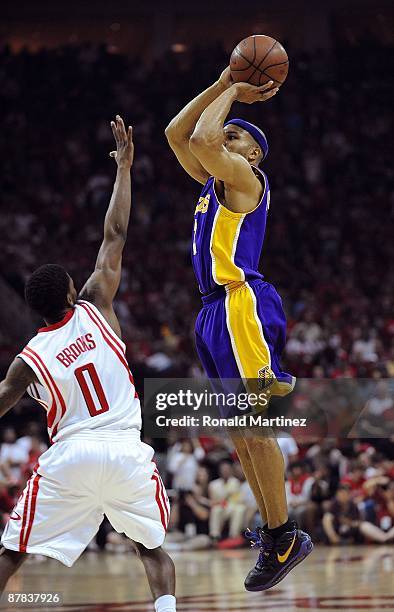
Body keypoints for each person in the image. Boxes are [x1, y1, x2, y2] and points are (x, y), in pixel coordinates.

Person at [0, 116, 176, 612]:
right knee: (151, 549)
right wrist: (125, 167)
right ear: (73, 292)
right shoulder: (97, 305)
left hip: (71, 457)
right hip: (124, 450)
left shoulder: (29, 359)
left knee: (12, 552)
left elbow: (1, 401)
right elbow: (115, 232)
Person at [165, 67, 312, 591]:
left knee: (257, 424)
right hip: (211, 313)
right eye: (229, 128)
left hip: (240, 304)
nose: (225, 132)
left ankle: (285, 533)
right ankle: (277, 536)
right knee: (239, 433)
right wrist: (224, 78)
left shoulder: (246, 180)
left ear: (251, 156)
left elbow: (203, 136)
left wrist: (234, 90)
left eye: (237, 135)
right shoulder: (212, 183)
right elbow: (176, 134)